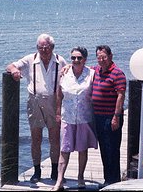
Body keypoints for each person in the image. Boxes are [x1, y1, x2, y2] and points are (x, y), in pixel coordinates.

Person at [6, 33, 67, 183]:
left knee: (54, 139)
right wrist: (14, 71)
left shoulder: (60, 60)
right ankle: (37, 171)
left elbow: (69, 76)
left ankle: (54, 171)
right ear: (37, 47)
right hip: (34, 102)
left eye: (46, 47)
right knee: (36, 138)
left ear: (52, 47)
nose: (44, 50)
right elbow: (11, 65)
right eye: (40, 47)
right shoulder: (30, 59)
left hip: (54, 102)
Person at [52, 47, 98, 191]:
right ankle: (59, 181)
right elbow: (59, 94)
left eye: (79, 58)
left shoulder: (92, 73)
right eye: (73, 58)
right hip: (68, 117)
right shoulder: (64, 73)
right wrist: (58, 112)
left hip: (84, 117)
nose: (76, 61)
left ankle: (80, 177)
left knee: (82, 149)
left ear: (84, 59)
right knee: (64, 150)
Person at [92, 45, 126, 188]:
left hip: (111, 117)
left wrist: (116, 116)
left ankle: (114, 180)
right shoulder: (95, 70)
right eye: (99, 57)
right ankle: (108, 180)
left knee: (112, 149)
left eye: (104, 57)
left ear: (111, 56)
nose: (101, 60)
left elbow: (121, 96)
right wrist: (67, 66)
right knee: (104, 149)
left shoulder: (118, 73)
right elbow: (80, 67)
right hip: (98, 117)